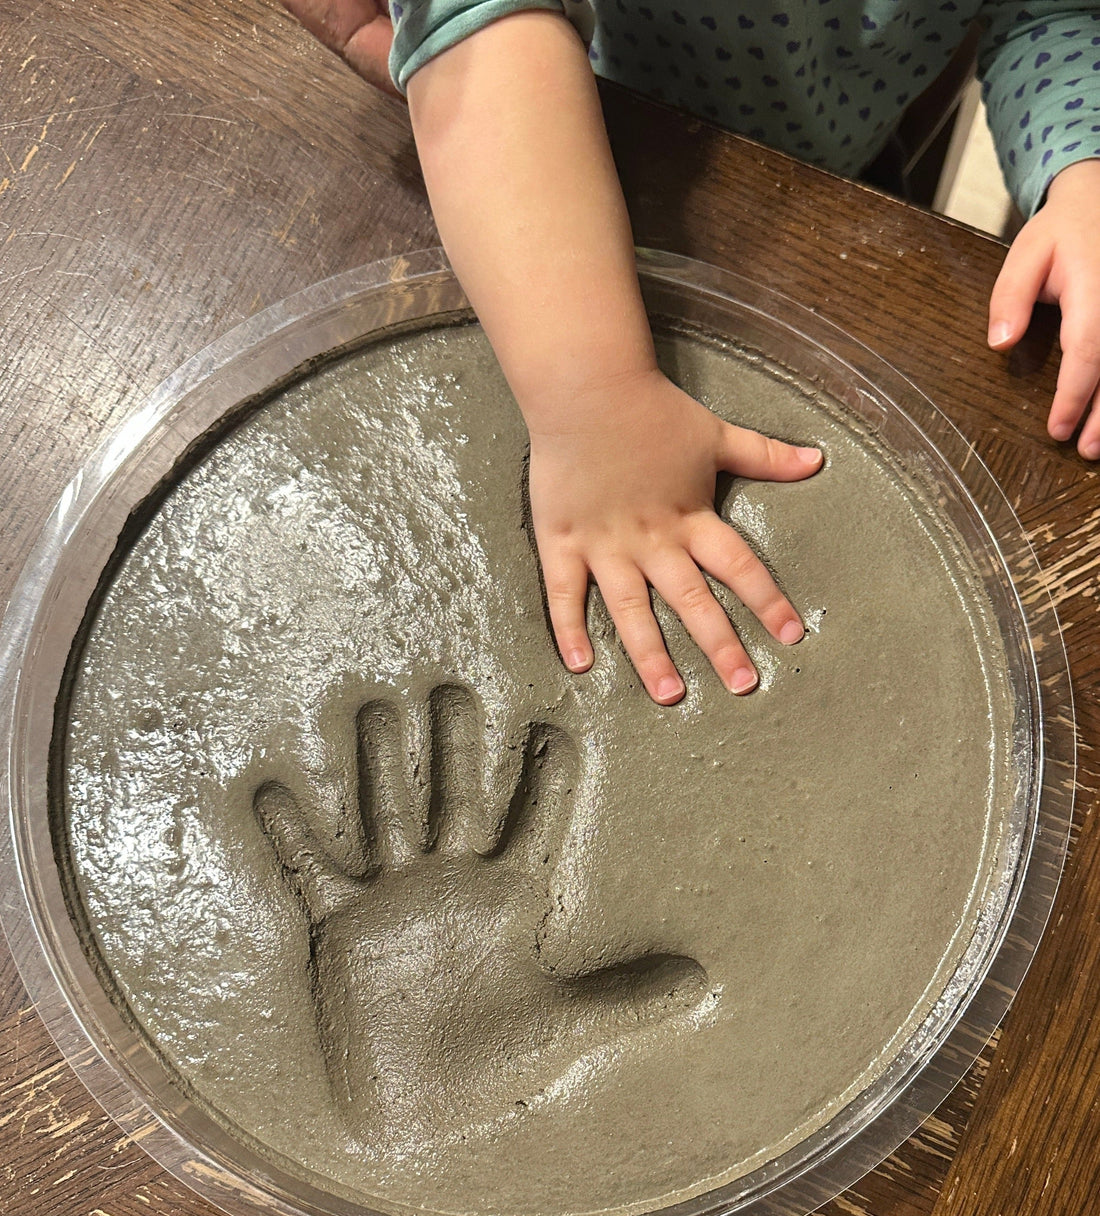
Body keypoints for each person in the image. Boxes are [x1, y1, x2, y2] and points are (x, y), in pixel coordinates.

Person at [281, 0, 1100, 704]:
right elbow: (480, 26)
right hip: (574, 159)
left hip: (836, 179)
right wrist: (594, 401)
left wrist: (1084, 165)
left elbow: (1054, 13)